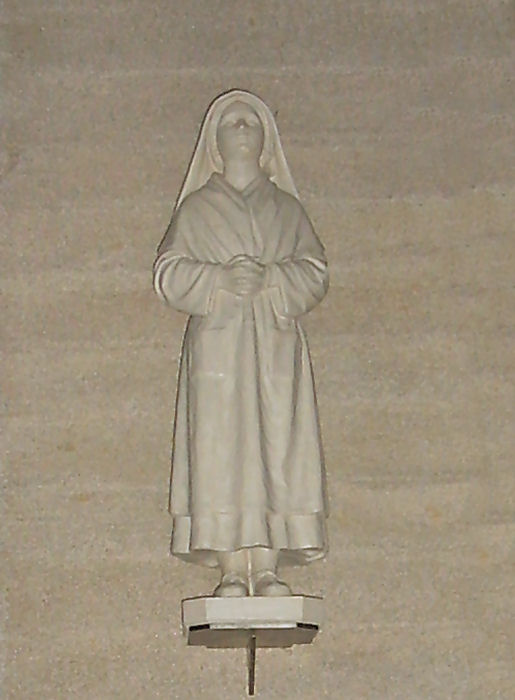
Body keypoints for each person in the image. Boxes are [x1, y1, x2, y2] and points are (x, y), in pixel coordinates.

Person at [153, 89, 329, 597]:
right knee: (222, 448)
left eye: (251, 120)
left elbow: (315, 271)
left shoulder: (286, 209)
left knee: (277, 445)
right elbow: (167, 272)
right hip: (219, 350)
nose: (242, 127)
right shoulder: (198, 209)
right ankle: (232, 566)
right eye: (231, 120)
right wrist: (219, 280)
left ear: (267, 137)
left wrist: (274, 277)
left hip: (274, 348)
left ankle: (268, 565)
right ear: (214, 139)